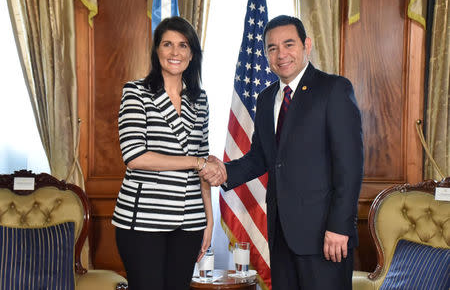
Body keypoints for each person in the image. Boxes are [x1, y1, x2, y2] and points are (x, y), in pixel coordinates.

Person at [202, 15, 363, 290]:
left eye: (289, 44)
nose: (281, 54)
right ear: (266, 54)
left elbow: (350, 166)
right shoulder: (266, 98)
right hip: (281, 235)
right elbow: (261, 157)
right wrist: (225, 171)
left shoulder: (333, 89)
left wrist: (338, 227)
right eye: (272, 48)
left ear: (306, 45)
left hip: (325, 236)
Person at [112, 16, 226, 290]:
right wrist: (197, 162)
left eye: (183, 45)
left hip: (190, 220)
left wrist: (209, 221)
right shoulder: (136, 92)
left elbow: (203, 165)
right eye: (167, 44)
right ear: (157, 51)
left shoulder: (200, 99)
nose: (175, 52)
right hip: (142, 221)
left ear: (192, 54)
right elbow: (135, 156)